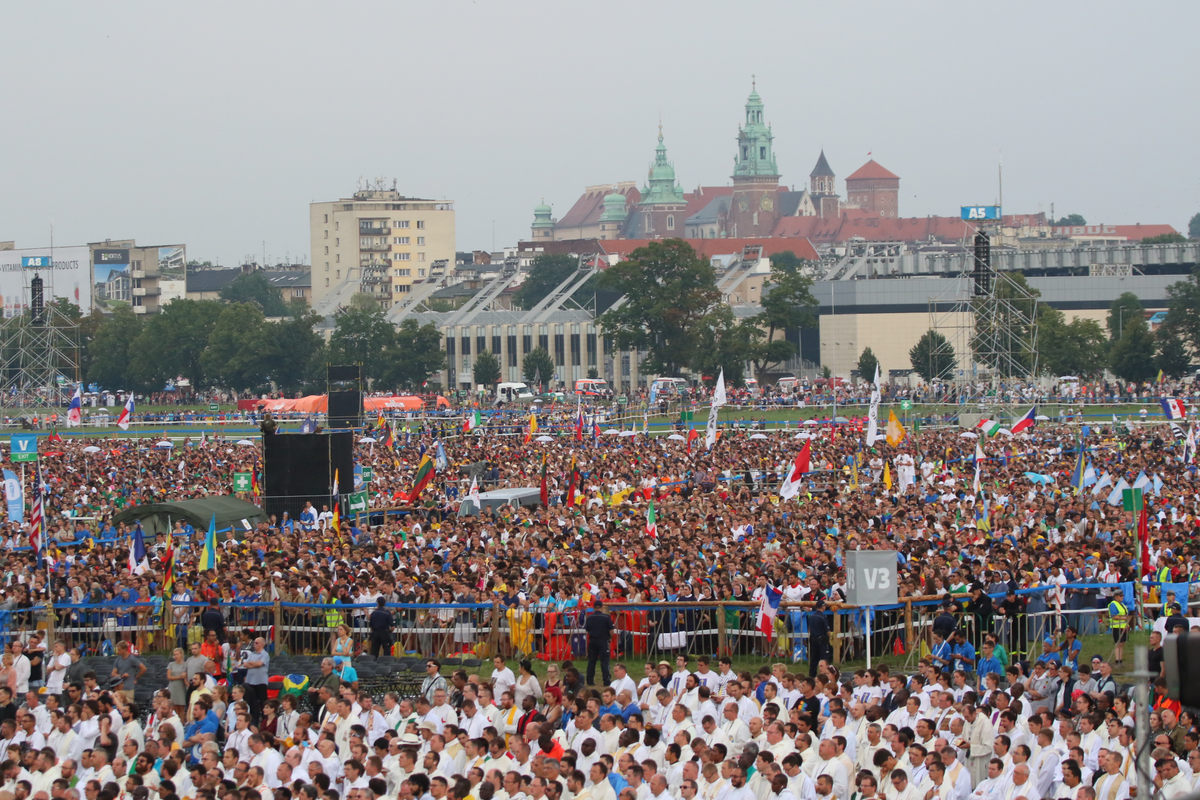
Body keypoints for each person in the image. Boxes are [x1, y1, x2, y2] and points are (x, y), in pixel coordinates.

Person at [584, 602, 615, 687]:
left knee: (591, 661)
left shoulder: (589, 617)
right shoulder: (606, 617)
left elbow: (587, 629)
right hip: (603, 640)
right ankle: (606, 680)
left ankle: (589, 680)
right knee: (604, 661)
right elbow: (611, 630)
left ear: (593, 608)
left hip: (592, 640)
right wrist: (609, 638)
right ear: (602, 608)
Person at [243, 637, 270, 725]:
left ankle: (265, 720)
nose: (254, 645)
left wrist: (253, 664)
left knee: (263, 702)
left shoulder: (265, 654)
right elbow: (245, 664)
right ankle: (253, 720)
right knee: (251, 701)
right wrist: (255, 664)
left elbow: (260, 664)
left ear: (262, 644)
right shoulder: (252, 654)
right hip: (250, 681)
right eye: (254, 643)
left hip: (261, 681)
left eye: (257, 643)